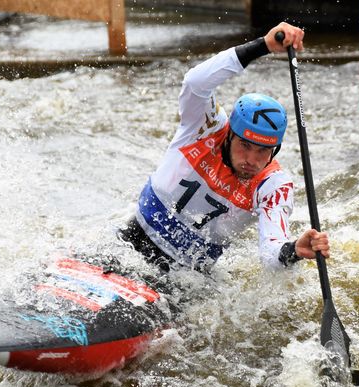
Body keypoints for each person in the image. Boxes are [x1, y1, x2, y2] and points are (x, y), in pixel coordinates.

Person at [121, 22, 329, 273]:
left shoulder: (273, 185)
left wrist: (293, 250)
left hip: (187, 278)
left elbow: (271, 254)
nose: (251, 159)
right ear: (230, 134)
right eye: (245, 145)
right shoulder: (205, 127)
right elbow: (195, 82)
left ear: (275, 149)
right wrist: (262, 45)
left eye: (263, 151)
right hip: (130, 242)